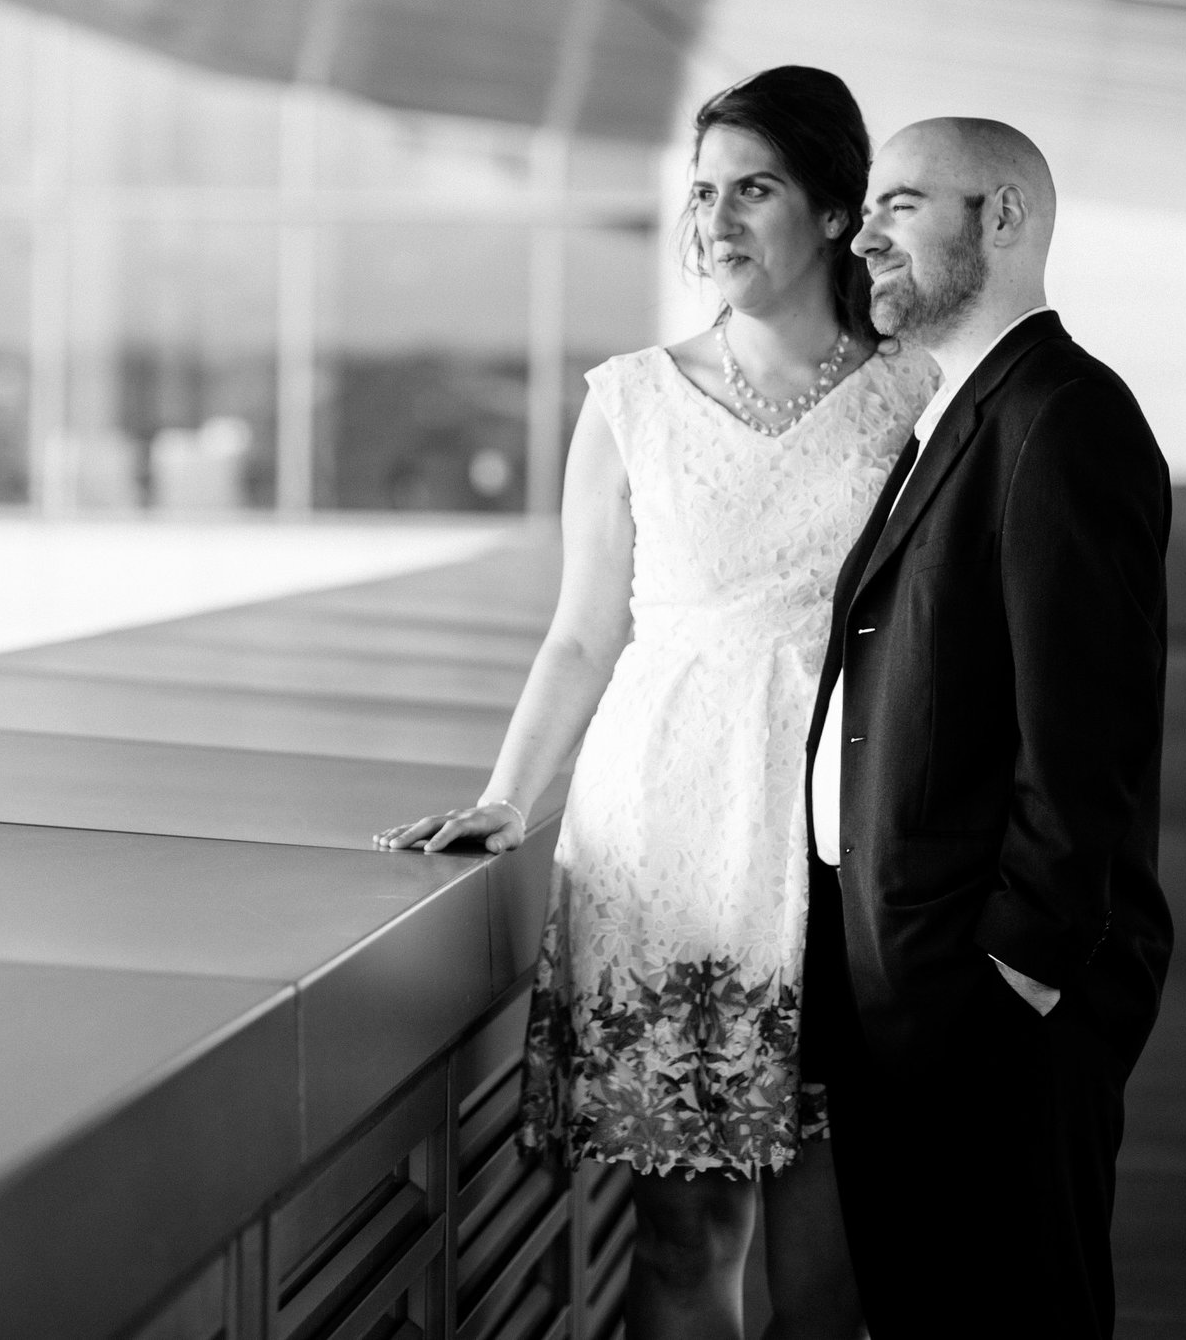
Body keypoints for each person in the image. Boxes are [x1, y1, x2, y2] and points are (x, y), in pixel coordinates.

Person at [376, 65, 935, 1340]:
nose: (717, 218)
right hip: (664, 833)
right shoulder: (627, 398)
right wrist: (505, 797)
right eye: (701, 190)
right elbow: (582, 631)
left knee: (831, 1239)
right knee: (685, 1232)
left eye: (756, 187)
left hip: (843, 835)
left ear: (836, 213)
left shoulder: (913, 399)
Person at [803, 118, 1174, 1339]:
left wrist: (1013, 970)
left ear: (999, 218)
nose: (861, 235)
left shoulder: (1063, 418)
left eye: (901, 204)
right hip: (907, 974)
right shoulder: (953, 411)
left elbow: (1088, 737)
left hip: (994, 999)